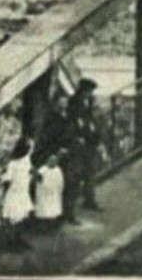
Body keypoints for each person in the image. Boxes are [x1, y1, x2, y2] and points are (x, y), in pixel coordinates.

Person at [64, 78, 103, 216]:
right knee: (76, 175)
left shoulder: (89, 103)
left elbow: (91, 120)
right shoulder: (74, 103)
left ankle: (89, 199)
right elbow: (75, 122)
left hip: (89, 142)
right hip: (80, 143)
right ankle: (70, 210)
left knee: (90, 172)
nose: (90, 94)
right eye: (88, 91)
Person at [0, 136, 34, 246]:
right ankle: (11, 241)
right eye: (29, 147)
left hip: (23, 191)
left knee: (22, 216)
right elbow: (8, 179)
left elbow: (29, 172)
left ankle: (18, 239)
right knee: (14, 217)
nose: (31, 150)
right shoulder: (13, 164)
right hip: (15, 192)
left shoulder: (27, 162)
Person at [32, 151, 65, 232]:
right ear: (47, 161)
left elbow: (60, 182)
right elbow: (38, 180)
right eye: (51, 160)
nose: (53, 162)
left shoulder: (58, 170)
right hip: (44, 194)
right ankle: (42, 228)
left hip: (54, 194)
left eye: (55, 160)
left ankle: (52, 228)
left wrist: (59, 190)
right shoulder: (43, 170)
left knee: (53, 211)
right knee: (43, 211)